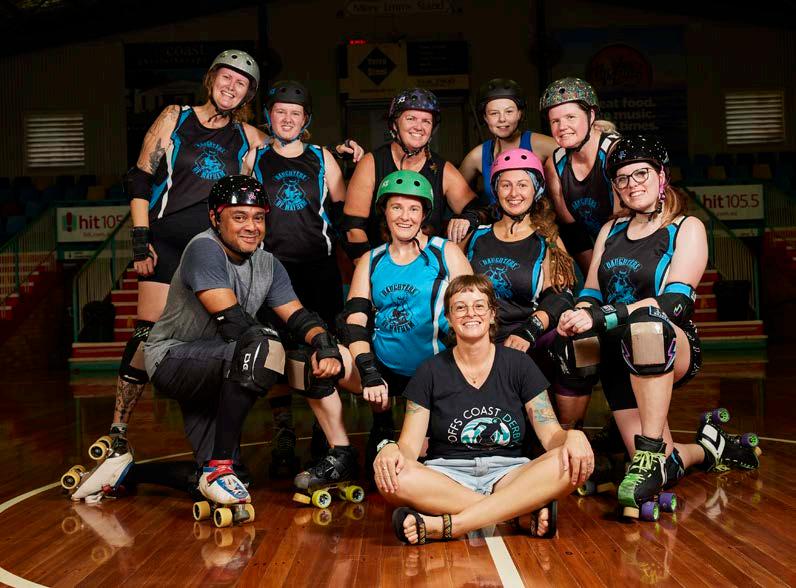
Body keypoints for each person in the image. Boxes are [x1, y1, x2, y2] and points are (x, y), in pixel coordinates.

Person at [555, 135, 759, 517]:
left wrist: (603, 316)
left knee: (646, 327)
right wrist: (578, 313)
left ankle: (647, 453)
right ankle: (708, 448)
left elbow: (675, 304)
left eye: (641, 174)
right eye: (623, 178)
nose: (632, 184)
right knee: (575, 343)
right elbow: (592, 292)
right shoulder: (610, 231)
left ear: (661, 176)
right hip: (618, 351)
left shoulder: (686, 227)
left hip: (668, 342)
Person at [112, 50, 266, 453]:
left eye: (241, 83)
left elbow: (290, 149)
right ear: (211, 79)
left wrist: (340, 154)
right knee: (146, 335)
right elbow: (140, 177)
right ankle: (118, 432)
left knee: (213, 342)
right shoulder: (175, 117)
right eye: (226, 78)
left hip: (213, 253)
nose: (231, 87)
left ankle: (214, 446)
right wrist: (140, 238)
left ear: (248, 95)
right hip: (166, 242)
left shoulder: (248, 137)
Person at [373, 275, 593, 544]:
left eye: (479, 306)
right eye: (460, 307)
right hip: (447, 476)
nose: (470, 313)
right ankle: (516, 514)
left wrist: (573, 436)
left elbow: (551, 437)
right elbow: (408, 447)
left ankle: (449, 525)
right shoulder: (429, 371)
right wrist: (389, 449)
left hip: (510, 474)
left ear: (492, 314)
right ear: (449, 318)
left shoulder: (519, 365)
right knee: (393, 477)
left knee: (569, 462)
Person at [248, 80, 354, 474]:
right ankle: (283, 429)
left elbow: (344, 213)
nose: (288, 119)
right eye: (281, 112)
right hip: (271, 268)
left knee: (323, 349)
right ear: (269, 116)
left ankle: (323, 432)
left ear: (306, 119)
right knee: (276, 351)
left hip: (319, 268)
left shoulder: (322, 157)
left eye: (295, 113)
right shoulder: (255, 158)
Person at [337, 170, 472, 480]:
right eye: (396, 207)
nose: (405, 216)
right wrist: (369, 372)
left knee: (424, 465)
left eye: (413, 209)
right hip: (384, 368)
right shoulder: (371, 260)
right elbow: (355, 322)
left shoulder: (445, 253)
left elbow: (473, 311)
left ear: (424, 214)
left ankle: (428, 423)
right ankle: (367, 432)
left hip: (434, 370)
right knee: (324, 360)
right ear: (384, 212)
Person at [464, 148, 586, 428]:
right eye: (506, 185)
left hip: (528, 336)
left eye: (522, 185)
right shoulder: (475, 236)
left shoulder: (547, 239)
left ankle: (570, 433)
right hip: (480, 336)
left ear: (536, 190)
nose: (514, 193)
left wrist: (529, 330)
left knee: (577, 343)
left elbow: (561, 296)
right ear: (496, 190)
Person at [340, 88, 479, 260]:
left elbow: (478, 210)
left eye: (426, 121)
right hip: (380, 264)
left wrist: (467, 221)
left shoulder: (443, 169)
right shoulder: (371, 163)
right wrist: (372, 269)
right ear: (394, 124)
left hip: (429, 267)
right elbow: (353, 228)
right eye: (411, 118)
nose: (419, 127)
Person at [540, 77, 622, 275]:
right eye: (555, 121)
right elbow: (574, 233)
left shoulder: (615, 153)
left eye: (570, 117)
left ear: (591, 115)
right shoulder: (554, 164)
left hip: (635, 245)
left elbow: (624, 223)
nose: (562, 127)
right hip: (596, 252)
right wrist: (594, 279)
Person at [459, 78, 557, 206]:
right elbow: (452, 194)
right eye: (494, 113)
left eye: (509, 111)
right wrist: (478, 214)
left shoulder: (539, 144)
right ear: (485, 117)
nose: (502, 119)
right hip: (497, 219)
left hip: (538, 218)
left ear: (519, 114)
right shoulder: (477, 156)